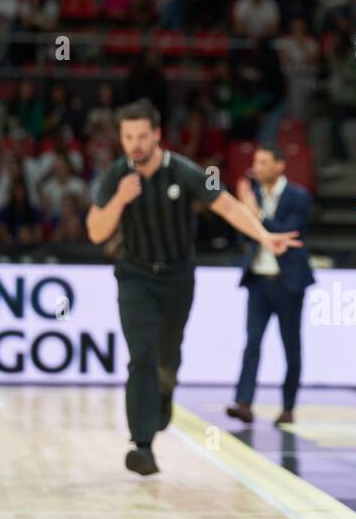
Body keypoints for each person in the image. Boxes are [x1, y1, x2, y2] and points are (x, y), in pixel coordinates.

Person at [86, 101, 301, 477]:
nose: (134, 145)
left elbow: (229, 207)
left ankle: (165, 394)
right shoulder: (116, 176)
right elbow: (96, 231)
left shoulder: (184, 171)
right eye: (127, 137)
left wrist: (265, 237)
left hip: (177, 279)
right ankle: (142, 446)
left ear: (156, 135)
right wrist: (120, 198)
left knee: (167, 359)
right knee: (141, 357)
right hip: (134, 277)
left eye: (141, 136)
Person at [225, 146, 314, 426]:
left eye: (264, 161)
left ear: (280, 165)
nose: (257, 167)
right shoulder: (254, 195)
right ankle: (244, 403)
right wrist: (244, 211)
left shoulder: (298, 197)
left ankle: (288, 406)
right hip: (258, 280)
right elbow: (243, 232)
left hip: (288, 282)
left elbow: (289, 235)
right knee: (252, 342)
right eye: (255, 161)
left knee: (291, 346)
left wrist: (257, 214)